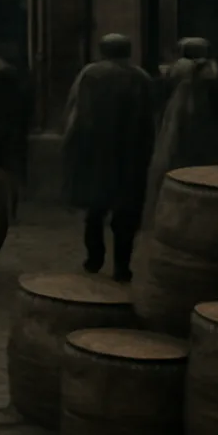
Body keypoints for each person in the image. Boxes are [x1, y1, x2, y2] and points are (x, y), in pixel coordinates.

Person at [62, 33, 155, 281]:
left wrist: (73, 146)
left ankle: (94, 259)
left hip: (97, 151)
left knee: (95, 208)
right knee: (127, 212)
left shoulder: (91, 74)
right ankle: (122, 266)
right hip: (131, 153)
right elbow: (150, 119)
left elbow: (77, 113)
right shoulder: (141, 77)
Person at [140, 36, 218, 231]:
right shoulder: (214, 71)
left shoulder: (176, 70)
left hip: (178, 124)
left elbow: (159, 95)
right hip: (208, 128)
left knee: (175, 162)